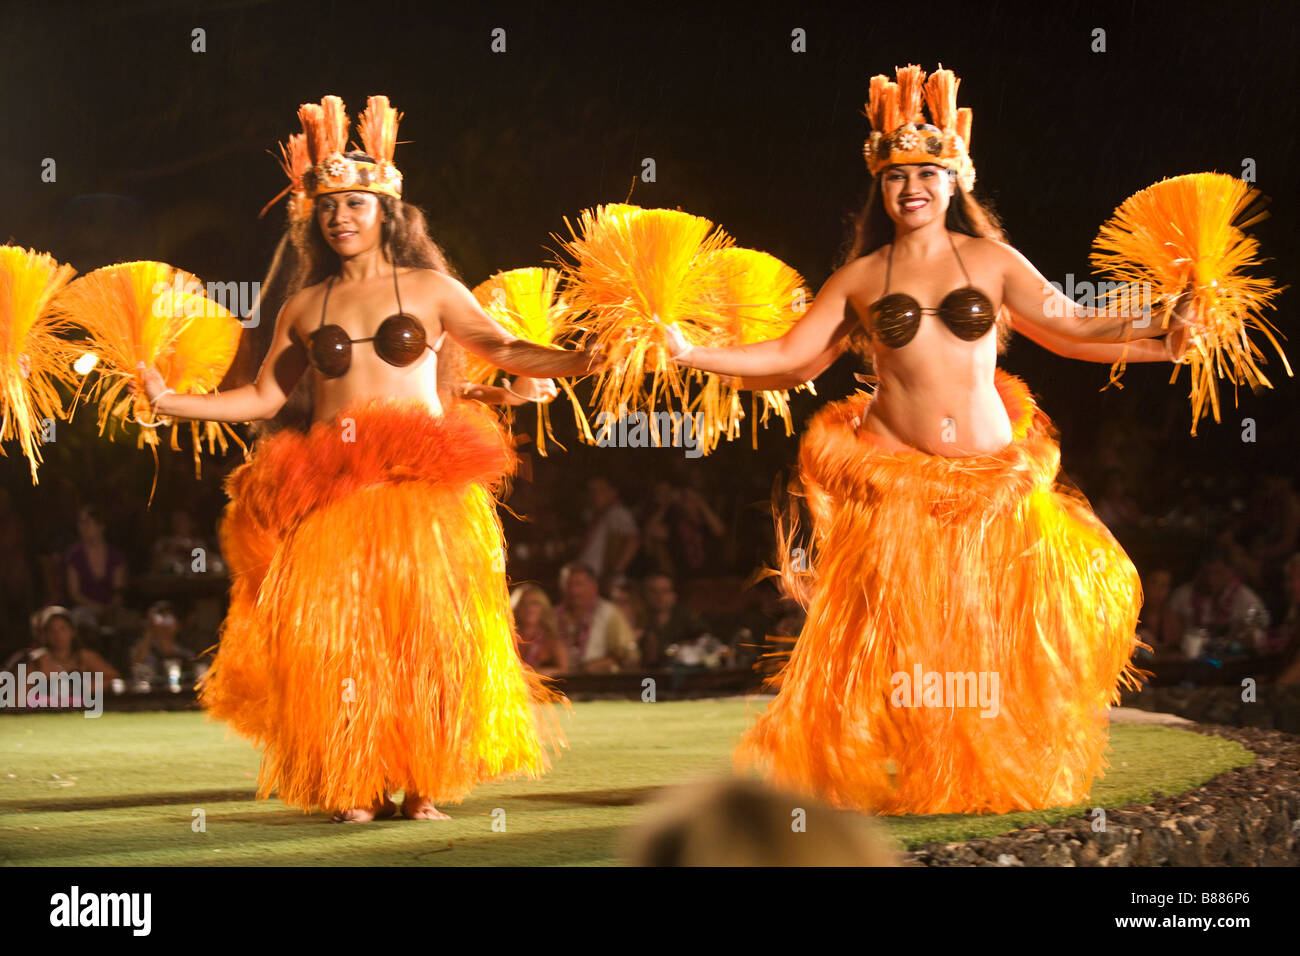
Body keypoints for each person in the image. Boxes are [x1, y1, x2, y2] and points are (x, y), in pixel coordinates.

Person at [664, 65, 1195, 815]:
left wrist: (1162, 335)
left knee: (981, 640)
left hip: (988, 486)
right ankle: (908, 759)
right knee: (905, 641)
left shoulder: (991, 261)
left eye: (926, 173)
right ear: (879, 188)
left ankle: (967, 768)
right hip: (897, 482)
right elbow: (786, 357)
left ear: (954, 181)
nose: (911, 186)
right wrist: (687, 349)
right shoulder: (859, 277)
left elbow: (1072, 328)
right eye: (896, 176)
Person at [137, 95, 600, 822]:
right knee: (339, 649)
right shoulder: (305, 303)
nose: (341, 216)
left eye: (356, 203)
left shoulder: (430, 289)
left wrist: (582, 357)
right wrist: (172, 402)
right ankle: (352, 783)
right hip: (334, 492)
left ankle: (419, 783)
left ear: (389, 211)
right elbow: (262, 398)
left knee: (425, 643)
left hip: (423, 490)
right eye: (329, 207)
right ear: (313, 218)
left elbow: (506, 349)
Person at [554, 562, 639, 674]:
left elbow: (629, 654)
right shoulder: (551, 615)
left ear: (594, 586)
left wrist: (603, 663)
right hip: (559, 684)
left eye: (579, 584)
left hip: (600, 683)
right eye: (568, 585)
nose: (574, 591)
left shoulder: (609, 613)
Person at [510, 583, 570, 677]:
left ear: (543, 607)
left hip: (545, 690)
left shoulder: (553, 642)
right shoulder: (506, 639)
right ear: (516, 607)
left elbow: (565, 671)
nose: (529, 608)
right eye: (523, 603)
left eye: (534, 603)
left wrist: (536, 673)